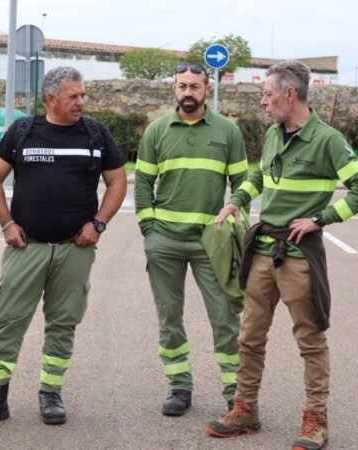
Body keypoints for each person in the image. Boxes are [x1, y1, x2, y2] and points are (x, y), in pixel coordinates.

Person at [206, 60, 358, 449]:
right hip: (263, 250)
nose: (263, 103)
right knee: (249, 336)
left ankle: (316, 421)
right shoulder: (271, 134)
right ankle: (245, 409)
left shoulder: (329, 140)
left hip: (299, 255)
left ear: (289, 94)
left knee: (310, 339)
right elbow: (256, 177)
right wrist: (236, 202)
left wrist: (322, 218)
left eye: (267, 95)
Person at [0, 66, 127, 427]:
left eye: (83, 94)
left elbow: (117, 183)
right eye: (74, 96)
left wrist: (98, 224)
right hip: (27, 248)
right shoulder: (23, 131)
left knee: (63, 323)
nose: (81, 102)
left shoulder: (96, 134)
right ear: (50, 99)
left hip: (74, 249)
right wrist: (6, 224)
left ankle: (51, 393)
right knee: (8, 323)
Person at [135, 62, 248, 417]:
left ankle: (235, 392)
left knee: (226, 317)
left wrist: (234, 213)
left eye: (195, 87)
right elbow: (141, 185)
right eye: (182, 86)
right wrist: (149, 231)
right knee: (169, 317)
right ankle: (179, 387)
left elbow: (243, 184)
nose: (188, 92)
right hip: (164, 242)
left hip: (211, 243)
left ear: (207, 90)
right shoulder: (156, 131)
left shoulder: (228, 132)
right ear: (174, 89)